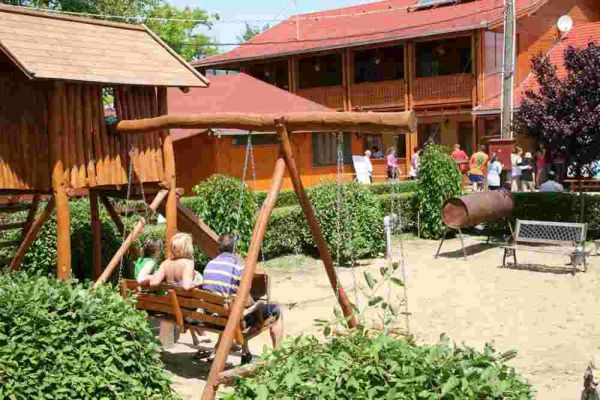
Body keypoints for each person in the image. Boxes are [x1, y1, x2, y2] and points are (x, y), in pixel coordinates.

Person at [203, 233, 282, 356]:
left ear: (218, 247)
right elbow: (246, 300)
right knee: (275, 310)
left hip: (212, 318)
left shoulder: (209, 265)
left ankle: (245, 351)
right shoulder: (238, 266)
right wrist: (256, 305)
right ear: (234, 247)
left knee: (232, 306)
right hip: (232, 319)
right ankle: (279, 354)